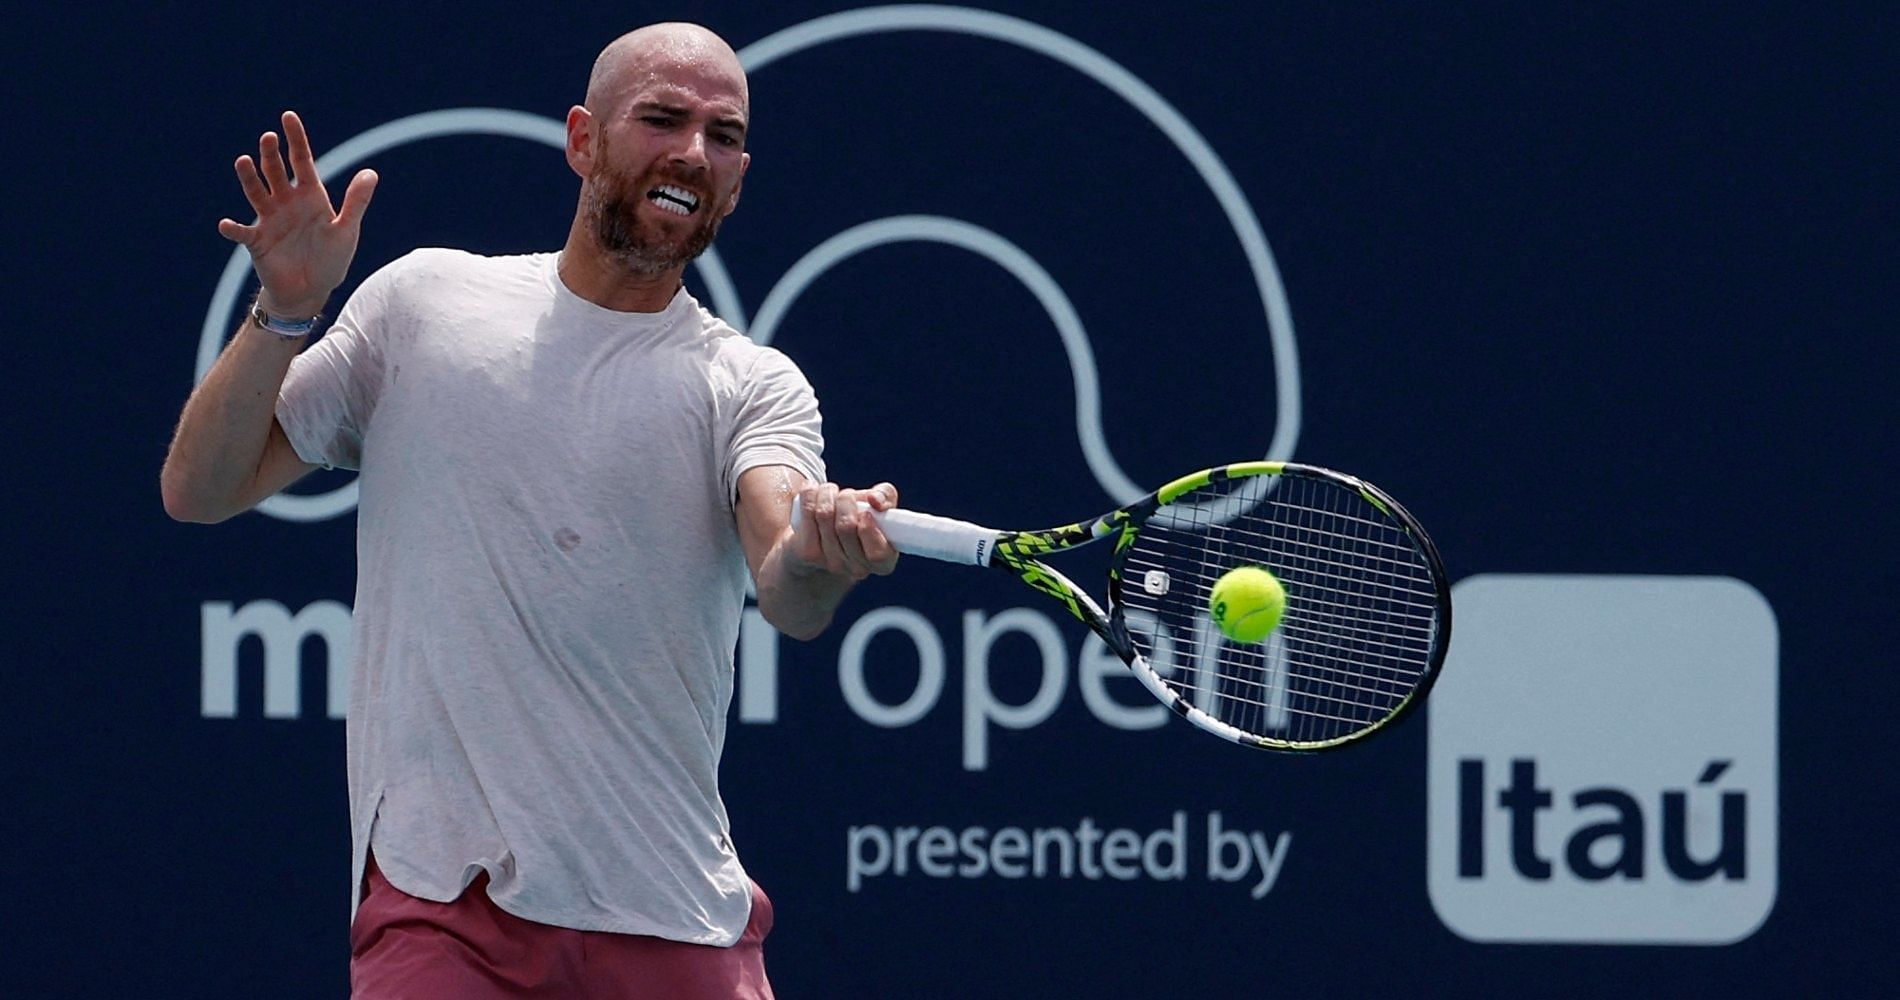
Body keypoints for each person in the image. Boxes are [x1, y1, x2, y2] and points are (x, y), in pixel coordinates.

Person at [161, 22, 897, 999]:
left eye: (723, 136)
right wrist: (284, 313)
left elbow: (789, 586)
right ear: (582, 139)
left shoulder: (751, 384)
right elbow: (200, 490)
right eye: (663, 119)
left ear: (741, 176)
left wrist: (818, 552)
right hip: (441, 910)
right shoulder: (424, 306)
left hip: (672, 916)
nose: (693, 152)